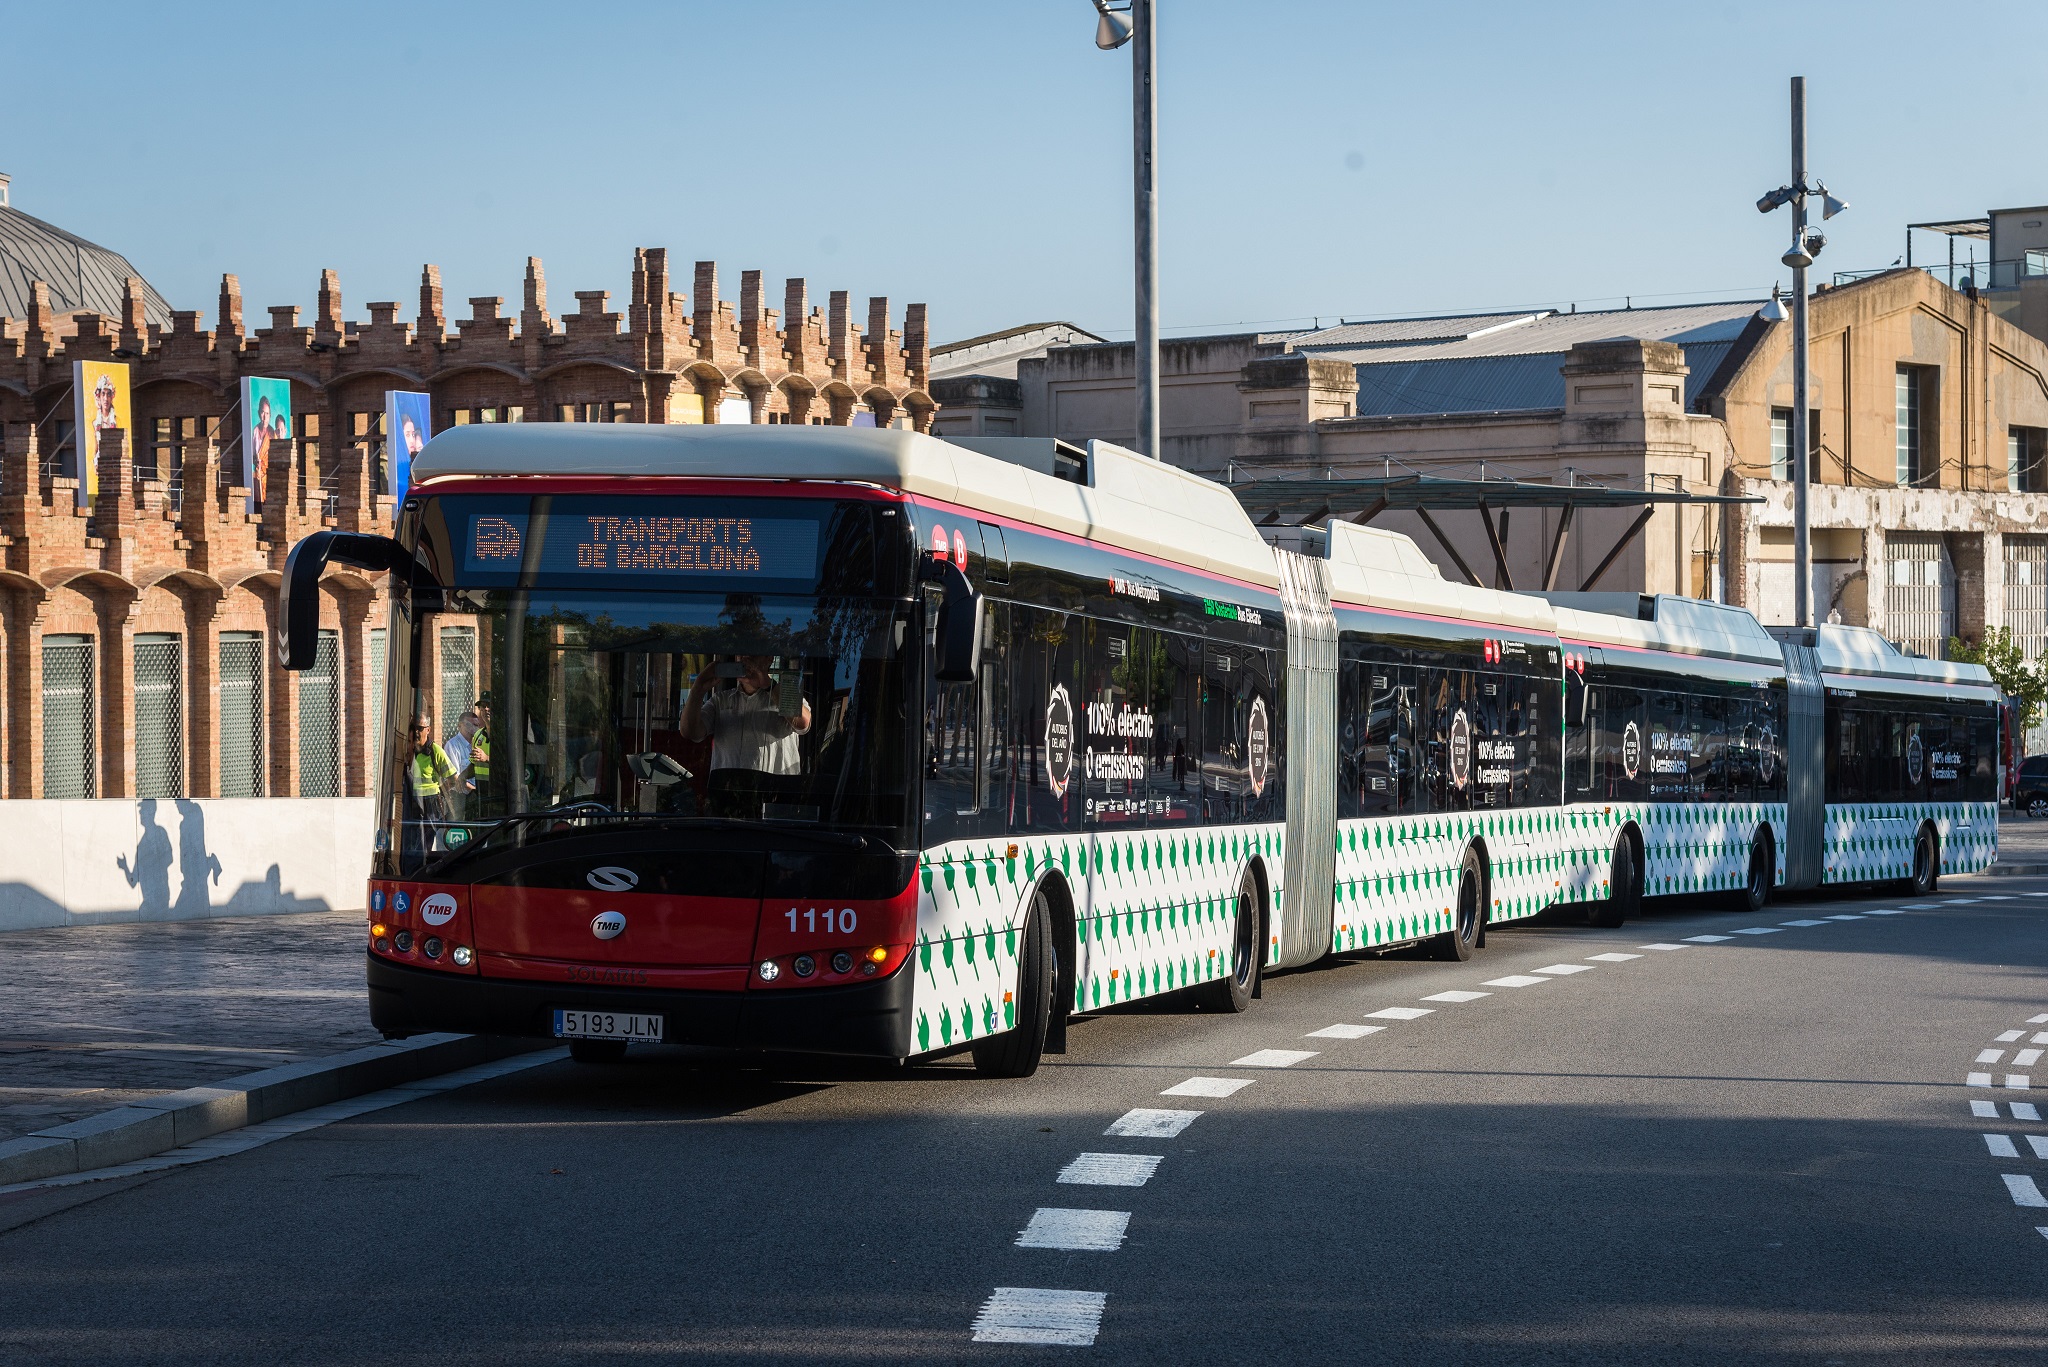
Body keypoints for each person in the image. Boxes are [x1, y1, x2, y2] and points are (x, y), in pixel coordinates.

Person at [682, 655, 811, 776]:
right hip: (729, 793)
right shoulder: (720, 700)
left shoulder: (786, 694)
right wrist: (697, 689)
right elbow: (690, 732)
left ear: (769, 659)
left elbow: (803, 723)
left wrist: (767, 684)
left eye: (753, 655)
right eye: (741, 655)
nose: (746, 660)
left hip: (775, 794)